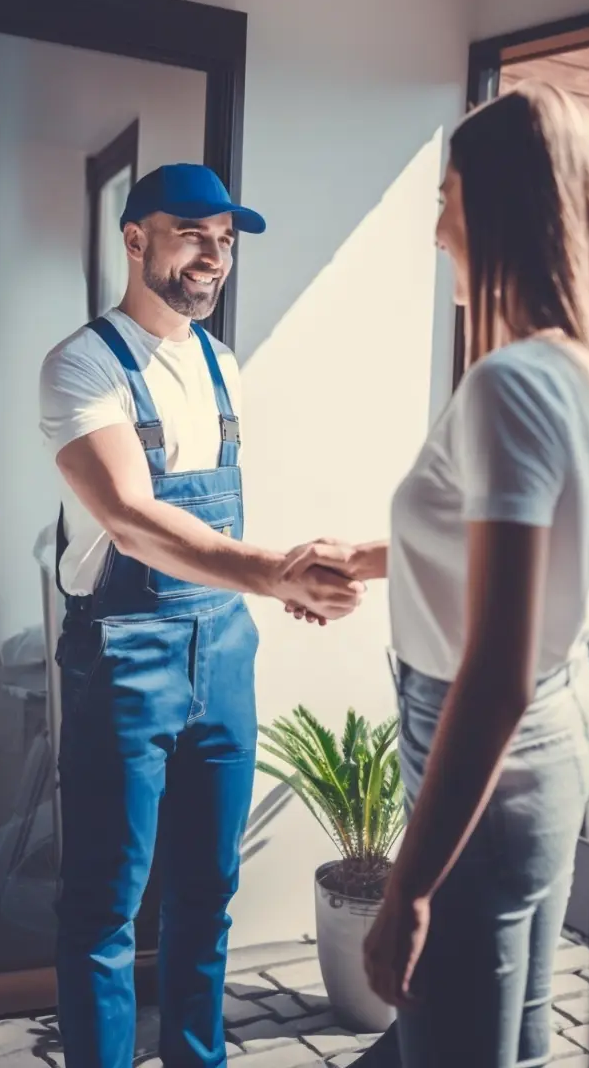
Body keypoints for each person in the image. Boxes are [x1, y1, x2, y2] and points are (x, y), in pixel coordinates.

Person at [289, 81, 589, 1068]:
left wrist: (409, 888)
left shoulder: (506, 384)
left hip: (485, 747)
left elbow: (496, 669)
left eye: (446, 199)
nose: (437, 229)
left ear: (499, 206)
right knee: (508, 1041)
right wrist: (363, 557)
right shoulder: (581, 370)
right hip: (551, 741)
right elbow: (514, 553)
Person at [38, 162, 365, 1068]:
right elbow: (132, 518)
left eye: (224, 240)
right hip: (123, 657)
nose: (214, 256)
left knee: (207, 893)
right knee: (105, 905)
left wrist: (276, 585)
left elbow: (211, 528)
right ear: (134, 239)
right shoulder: (81, 365)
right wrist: (275, 574)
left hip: (224, 651)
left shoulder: (222, 364)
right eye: (192, 235)